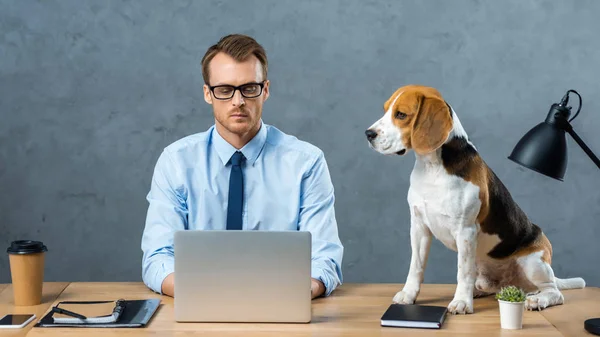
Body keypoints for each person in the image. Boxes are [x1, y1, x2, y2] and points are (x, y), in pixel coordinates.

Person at [140, 34, 344, 299]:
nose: (238, 101)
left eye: (249, 88)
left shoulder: (306, 162)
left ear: (266, 90)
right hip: (199, 303)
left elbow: (325, 257)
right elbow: (157, 257)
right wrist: (207, 294)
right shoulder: (176, 161)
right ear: (207, 94)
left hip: (282, 303)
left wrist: (299, 289)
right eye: (224, 90)